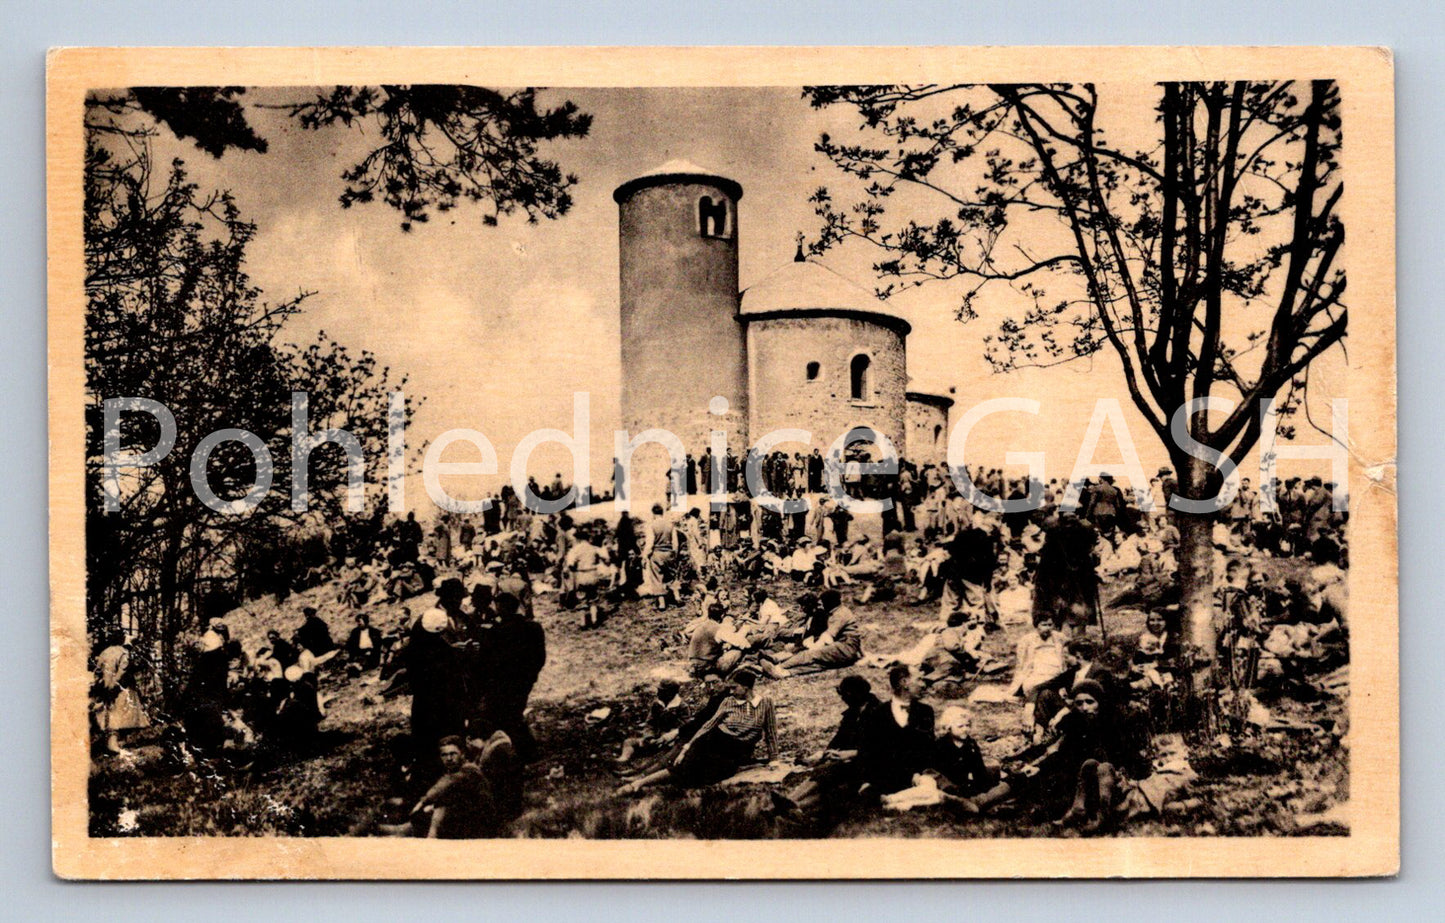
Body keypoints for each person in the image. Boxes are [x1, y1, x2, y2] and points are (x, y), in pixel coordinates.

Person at [619, 669, 777, 792]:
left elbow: (771, 732)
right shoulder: (729, 701)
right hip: (715, 740)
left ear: (746, 687)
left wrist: (773, 759)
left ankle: (643, 780)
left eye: (734, 687)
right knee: (684, 765)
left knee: (706, 776)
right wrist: (687, 747)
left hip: (737, 750)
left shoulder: (766, 703)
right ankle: (638, 784)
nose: (732, 691)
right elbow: (709, 725)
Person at [857, 665, 935, 796]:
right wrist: (866, 781)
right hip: (885, 779)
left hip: (917, 778)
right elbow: (866, 751)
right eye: (920, 679)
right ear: (904, 683)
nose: (924, 685)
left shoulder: (925, 711)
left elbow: (928, 749)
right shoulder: (874, 714)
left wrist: (917, 772)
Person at [763, 589, 862, 678]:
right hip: (845, 648)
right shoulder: (836, 612)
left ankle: (778, 668)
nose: (821, 606)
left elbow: (827, 637)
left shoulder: (840, 614)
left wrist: (814, 647)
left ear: (830, 603)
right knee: (820, 664)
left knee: (811, 654)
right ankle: (786, 673)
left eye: (823, 603)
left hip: (845, 647)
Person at [411, 736, 496, 838]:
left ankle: (430, 839)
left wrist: (423, 801)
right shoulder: (452, 773)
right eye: (444, 755)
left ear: (463, 754)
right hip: (462, 822)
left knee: (440, 808)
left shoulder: (470, 770)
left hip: (480, 826)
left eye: (453, 754)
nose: (449, 758)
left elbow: (446, 784)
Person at [92, 639, 148, 754]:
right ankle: (115, 744)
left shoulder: (105, 652)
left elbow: (97, 671)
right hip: (120, 689)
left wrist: (102, 686)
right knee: (121, 717)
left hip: (105, 687)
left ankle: (112, 743)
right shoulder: (124, 653)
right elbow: (121, 673)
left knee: (109, 716)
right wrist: (113, 686)